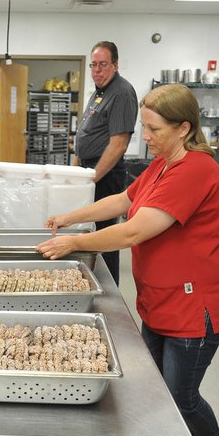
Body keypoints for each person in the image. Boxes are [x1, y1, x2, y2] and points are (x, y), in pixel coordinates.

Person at [37, 83, 219, 436]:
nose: (145, 137)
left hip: (194, 308)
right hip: (161, 301)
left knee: (181, 395)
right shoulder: (162, 164)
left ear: (184, 128)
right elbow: (123, 201)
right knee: (155, 386)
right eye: (144, 127)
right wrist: (70, 217)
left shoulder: (197, 169)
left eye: (154, 129)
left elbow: (134, 231)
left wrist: (74, 242)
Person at [73, 40, 138, 285]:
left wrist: (91, 178)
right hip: (88, 170)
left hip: (105, 174)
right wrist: (74, 171)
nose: (97, 71)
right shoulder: (100, 92)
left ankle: (109, 287)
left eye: (103, 65)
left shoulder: (121, 92)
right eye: (93, 65)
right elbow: (85, 133)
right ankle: (91, 278)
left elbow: (118, 143)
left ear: (115, 65)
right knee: (90, 230)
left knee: (106, 234)